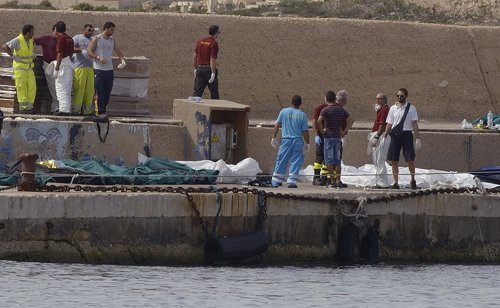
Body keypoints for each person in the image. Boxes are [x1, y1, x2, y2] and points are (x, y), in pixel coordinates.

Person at [383, 88, 421, 189]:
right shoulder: (392, 108)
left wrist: (417, 138)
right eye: (398, 96)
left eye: (402, 96)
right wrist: (384, 136)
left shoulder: (411, 108)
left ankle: (413, 179)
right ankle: (396, 183)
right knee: (394, 159)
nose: (399, 97)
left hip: (407, 134)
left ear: (406, 96)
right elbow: (389, 123)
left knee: (409, 159)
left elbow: (415, 124)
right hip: (395, 135)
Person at [270, 95, 310, 188]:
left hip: (286, 140)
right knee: (296, 161)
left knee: (282, 159)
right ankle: (292, 181)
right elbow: (305, 131)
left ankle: (276, 180)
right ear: (300, 104)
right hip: (297, 140)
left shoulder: (284, 112)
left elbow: (277, 125)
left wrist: (274, 137)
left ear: (291, 102)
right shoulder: (302, 115)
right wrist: (307, 143)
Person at [88, 21, 126, 115]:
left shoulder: (112, 39)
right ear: (106, 29)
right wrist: (98, 57)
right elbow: (89, 51)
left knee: (107, 93)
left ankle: (103, 110)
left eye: (113, 30)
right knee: (99, 92)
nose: (112, 32)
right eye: (111, 30)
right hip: (98, 69)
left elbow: (117, 50)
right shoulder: (97, 38)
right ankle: (99, 112)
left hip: (109, 70)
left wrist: (122, 60)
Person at [317, 90, 353, 188]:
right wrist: (344, 131)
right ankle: (338, 180)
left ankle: (332, 182)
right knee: (337, 160)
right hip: (337, 137)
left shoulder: (325, 110)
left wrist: (322, 131)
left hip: (328, 137)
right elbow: (351, 120)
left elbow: (319, 121)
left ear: (326, 98)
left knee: (329, 160)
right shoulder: (341, 110)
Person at [2, 25, 36, 113]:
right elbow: (5, 46)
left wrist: (32, 55)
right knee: (22, 87)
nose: (33, 34)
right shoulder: (18, 40)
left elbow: (29, 51)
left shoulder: (31, 40)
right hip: (20, 69)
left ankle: (29, 105)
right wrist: (13, 56)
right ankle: (24, 107)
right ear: (27, 33)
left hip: (28, 68)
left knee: (32, 87)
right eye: (32, 32)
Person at [368, 93, 391, 188]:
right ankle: (379, 182)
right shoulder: (382, 109)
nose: (377, 101)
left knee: (379, 159)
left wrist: (377, 136)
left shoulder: (385, 110)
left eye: (380, 99)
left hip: (380, 136)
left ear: (385, 100)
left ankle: (383, 183)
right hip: (379, 135)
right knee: (377, 160)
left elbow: (382, 125)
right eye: (376, 99)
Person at [34, 25, 59, 114]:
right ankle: (55, 107)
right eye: (57, 31)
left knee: (60, 87)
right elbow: (32, 41)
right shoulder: (46, 38)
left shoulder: (62, 39)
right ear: (53, 30)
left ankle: (58, 107)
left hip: (60, 65)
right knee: (53, 87)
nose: (58, 33)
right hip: (49, 65)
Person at [312, 91, 334, 185]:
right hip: (323, 135)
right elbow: (315, 121)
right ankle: (316, 177)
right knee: (320, 157)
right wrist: (317, 134)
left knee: (326, 158)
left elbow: (314, 122)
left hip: (327, 135)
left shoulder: (327, 108)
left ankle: (324, 178)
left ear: (325, 98)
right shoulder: (320, 108)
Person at [72, 24, 95, 115]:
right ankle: (76, 109)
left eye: (92, 31)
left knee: (89, 90)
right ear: (84, 29)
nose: (90, 32)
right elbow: (72, 48)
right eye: (89, 30)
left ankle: (87, 110)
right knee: (79, 89)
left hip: (90, 67)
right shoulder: (77, 38)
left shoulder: (93, 40)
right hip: (80, 67)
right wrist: (81, 50)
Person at [193, 25, 220, 99]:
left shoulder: (200, 41)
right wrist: (213, 73)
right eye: (218, 32)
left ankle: (193, 109)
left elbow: (195, 56)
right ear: (215, 33)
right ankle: (215, 110)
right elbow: (212, 59)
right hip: (208, 70)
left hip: (200, 69)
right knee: (214, 94)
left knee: (197, 93)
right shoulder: (214, 43)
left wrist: (195, 68)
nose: (218, 34)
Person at [53, 21, 74, 116]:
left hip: (63, 65)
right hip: (69, 63)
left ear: (56, 29)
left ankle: (63, 109)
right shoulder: (70, 39)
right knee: (67, 88)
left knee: (60, 87)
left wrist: (57, 68)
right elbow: (71, 52)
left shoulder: (61, 38)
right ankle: (66, 108)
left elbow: (60, 53)